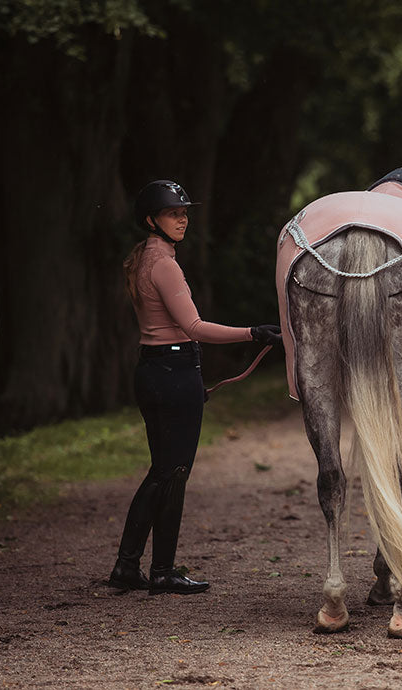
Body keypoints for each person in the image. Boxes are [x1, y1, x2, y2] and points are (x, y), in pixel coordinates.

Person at [109, 179, 281, 595]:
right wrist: (254, 333)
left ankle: (130, 567)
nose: (182, 218)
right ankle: (157, 570)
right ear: (152, 220)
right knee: (172, 473)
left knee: (165, 472)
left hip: (157, 370)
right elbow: (195, 328)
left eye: (184, 212)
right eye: (173, 213)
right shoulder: (163, 264)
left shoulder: (147, 258)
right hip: (172, 371)